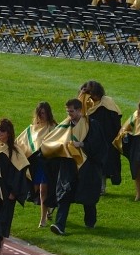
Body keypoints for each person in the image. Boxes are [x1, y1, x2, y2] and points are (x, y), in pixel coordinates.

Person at [43, 98, 107, 235]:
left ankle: (90, 222)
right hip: (69, 165)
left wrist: (82, 144)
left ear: (79, 110)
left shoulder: (91, 125)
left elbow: (99, 145)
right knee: (64, 194)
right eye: (67, 112)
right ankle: (60, 225)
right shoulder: (65, 126)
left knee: (88, 196)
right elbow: (54, 141)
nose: (69, 114)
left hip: (87, 166)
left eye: (71, 111)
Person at [0, 119, 31, 255]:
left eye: (3, 130)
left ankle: (0, 251)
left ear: (9, 133)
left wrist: (15, 192)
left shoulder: (16, 150)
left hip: (8, 191)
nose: (0, 133)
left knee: (4, 221)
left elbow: (20, 173)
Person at [17, 102, 57, 228]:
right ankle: (48, 209)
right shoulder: (32, 129)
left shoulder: (53, 127)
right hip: (35, 164)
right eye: (40, 113)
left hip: (47, 164)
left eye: (44, 113)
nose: (41, 116)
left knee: (43, 190)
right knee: (36, 189)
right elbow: (20, 143)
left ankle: (43, 219)